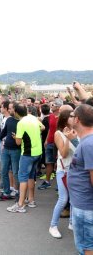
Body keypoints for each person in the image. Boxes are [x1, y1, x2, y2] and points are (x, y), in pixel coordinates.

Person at [7, 103, 43, 213]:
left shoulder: (21, 123)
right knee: (31, 176)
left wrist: (16, 137)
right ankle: (31, 200)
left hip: (28, 153)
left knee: (23, 178)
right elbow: (43, 127)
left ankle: (20, 204)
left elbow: (18, 142)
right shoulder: (32, 117)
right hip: (38, 152)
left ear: (16, 113)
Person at [68, 104, 93, 254]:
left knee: (87, 247)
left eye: (71, 116)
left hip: (86, 207)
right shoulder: (86, 141)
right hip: (82, 205)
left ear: (77, 120)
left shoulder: (89, 144)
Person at [49, 109, 76, 239]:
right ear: (65, 118)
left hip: (76, 171)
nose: (75, 118)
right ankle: (53, 226)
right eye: (72, 116)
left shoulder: (78, 131)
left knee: (73, 198)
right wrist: (67, 139)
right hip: (63, 170)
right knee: (63, 199)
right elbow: (64, 154)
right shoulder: (58, 133)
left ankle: (71, 222)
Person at [0, 101, 21, 200]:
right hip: (6, 149)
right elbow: (4, 132)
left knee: (15, 172)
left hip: (16, 150)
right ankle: (6, 192)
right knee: (3, 171)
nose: (9, 110)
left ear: (15, 110)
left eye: (10, 108)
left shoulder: (21, 122)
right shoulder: (9, 120)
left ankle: (18, 193)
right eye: (9, 108)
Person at [39, 99, 62, 190]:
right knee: (49, 162)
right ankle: (47, 181)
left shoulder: (62, 118)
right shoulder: (51, 116)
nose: (51, 106)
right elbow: (50, 129)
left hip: (58, 143)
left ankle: (59, 184)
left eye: (53, 105)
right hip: (50, 142)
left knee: (58, 164)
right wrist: (46, 140)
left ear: (58, 107)